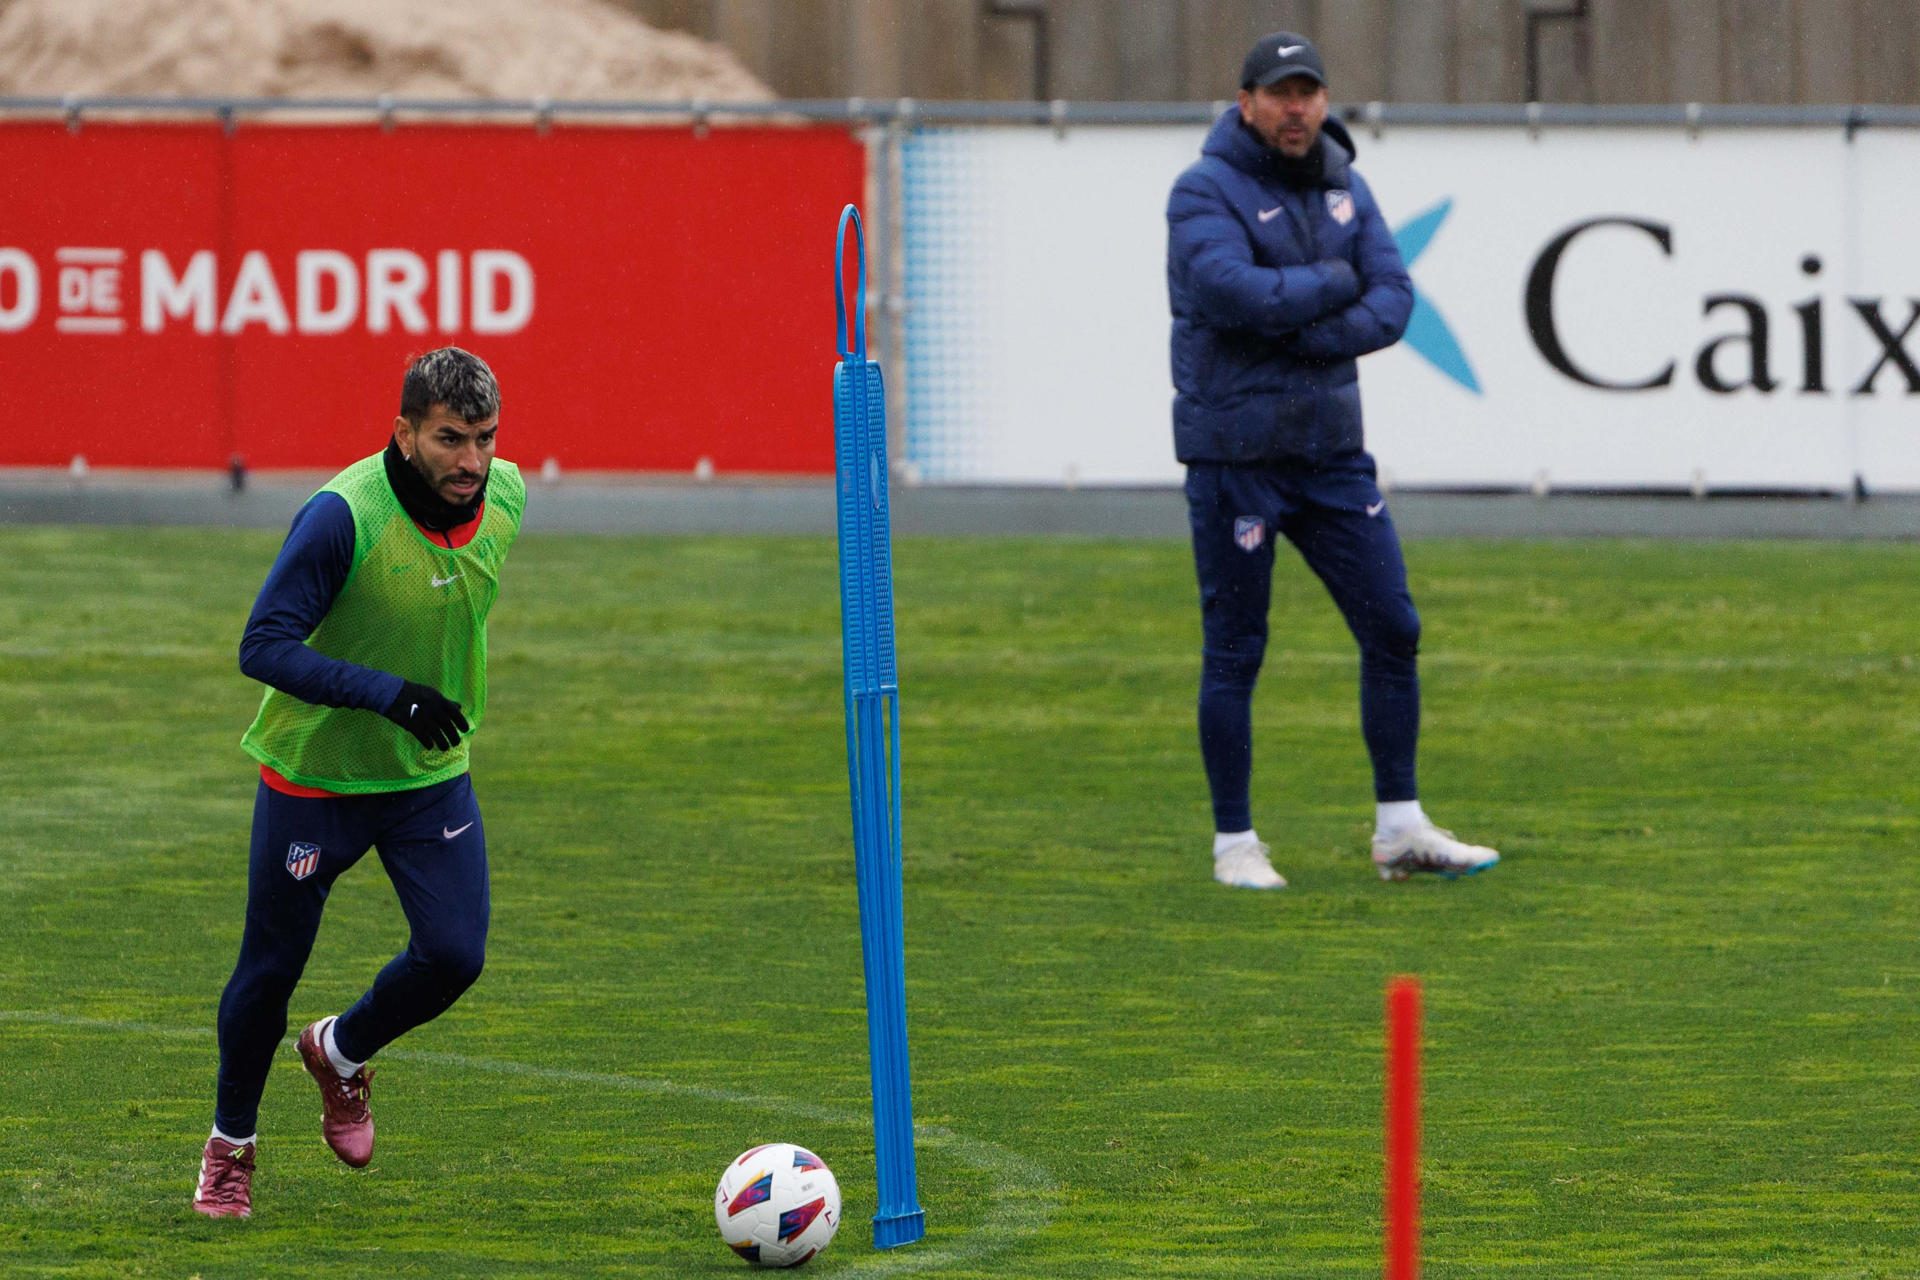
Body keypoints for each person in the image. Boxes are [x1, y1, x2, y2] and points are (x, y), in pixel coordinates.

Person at [192, 347, 526, 1217]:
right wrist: (391, 696)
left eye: (486, 439)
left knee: (455, 954)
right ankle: (232, 1146)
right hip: (315, 780)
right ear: (404, 431)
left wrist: (419, 716)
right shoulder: (343, 517)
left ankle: (339, 1053)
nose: (473, 461)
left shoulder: (508, 500)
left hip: (426, 777)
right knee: (268, 975)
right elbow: (261, 645)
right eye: (451, 439)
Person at [1166, 33, 1499, 890]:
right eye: (1280, 93)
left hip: (1331, 454)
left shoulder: (1347, 183)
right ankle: (1234, 844)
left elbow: (1391, 300)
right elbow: (1232, 293)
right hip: (1237, 456)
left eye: (1309, 92)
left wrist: (1301, 314)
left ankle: (1400, 829)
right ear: (1247, 103)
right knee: (1236, 648)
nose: (1297, 108)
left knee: (1394, 627)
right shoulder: (1203, 190)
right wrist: (1330, 284)